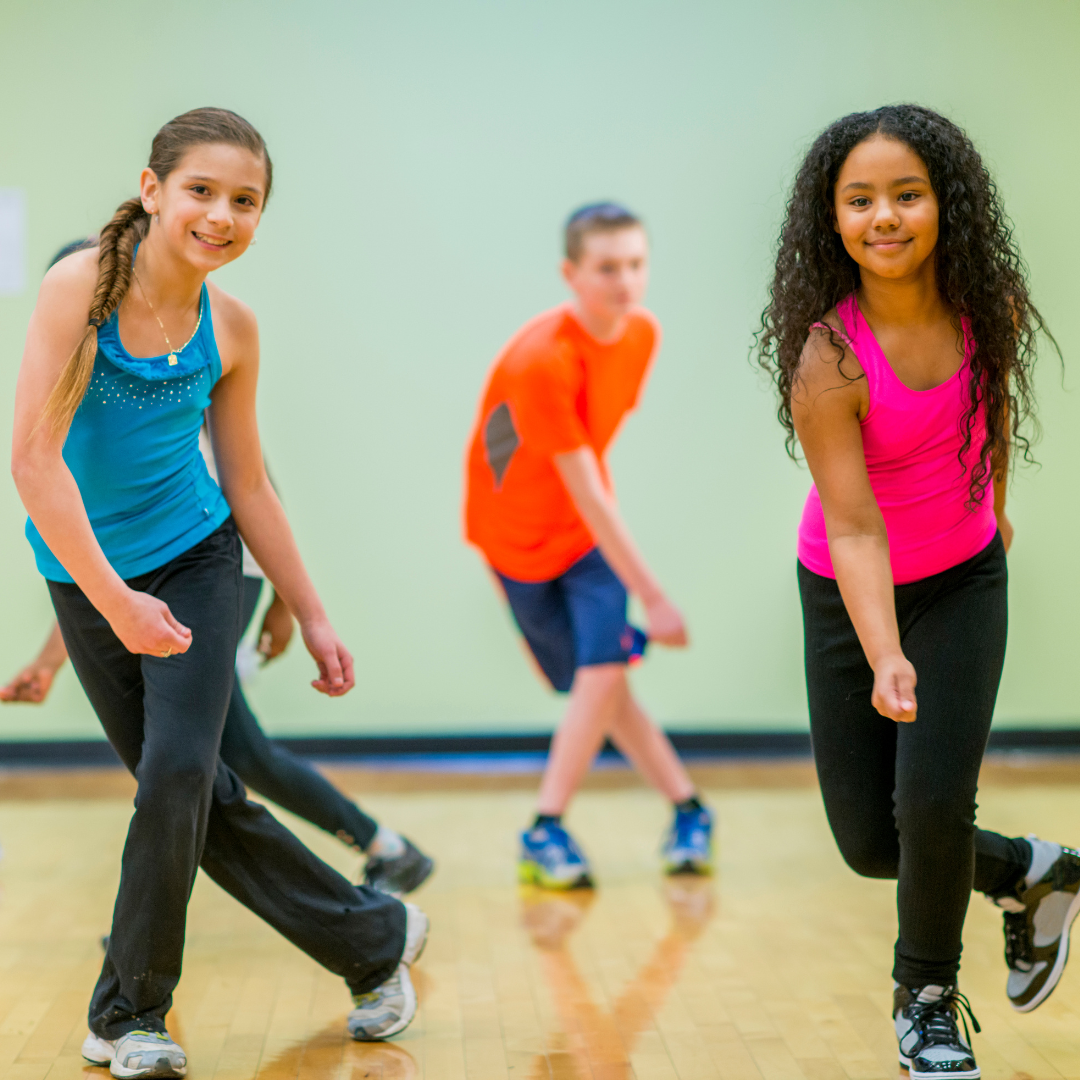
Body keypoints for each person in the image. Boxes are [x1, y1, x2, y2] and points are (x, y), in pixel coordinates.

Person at [10, 108, 428, 1078]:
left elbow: (247, 483)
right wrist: (114, 602)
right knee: (193, 791)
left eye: (246, 201)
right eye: (201, 190)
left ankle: (129, 1016)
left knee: (177, 776)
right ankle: (374, 936)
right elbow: (33, 462)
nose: (221, 215)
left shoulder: (231, 326)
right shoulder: (77, 291)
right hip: (85, 574)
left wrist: (309, 609)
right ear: (152, 190)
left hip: (199, 559)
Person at [756, 104, 1080, 1080]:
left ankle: (927, 1004)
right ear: (833, 218)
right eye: (860, 200)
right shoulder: (828, 358)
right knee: (870, 841)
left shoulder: (989, 309)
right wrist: (885, 648)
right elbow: (854, 526)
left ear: (947, 204)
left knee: (934, 801)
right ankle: (1032, 873)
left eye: (907, 194)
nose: (885, 217)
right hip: (848, 589)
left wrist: (997, 512)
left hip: (963, 579)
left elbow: (992, 414)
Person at [2, 244, 434, 900]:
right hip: (165, 579)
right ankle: (381, 852)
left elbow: (254, 487)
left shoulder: (179, 363)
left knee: (198, 756)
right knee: (227, 752)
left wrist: (292, 603)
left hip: (220, 565)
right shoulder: (81, 418)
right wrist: (49, 660)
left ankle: (358, 880)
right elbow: (105, 563)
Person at [464, 203, 712, 890]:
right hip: (513, 541)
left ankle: (545, 827)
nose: (625, 281)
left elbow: (591, 477)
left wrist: (639, 586)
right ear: (571, 274)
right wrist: (656, 600)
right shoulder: (542, 361)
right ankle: (690, 809)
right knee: (598, 687)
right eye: (607, 268)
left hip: (584, 539)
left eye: (635, 264)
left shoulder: (642, 334)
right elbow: (585, 488)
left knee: (601, 674)